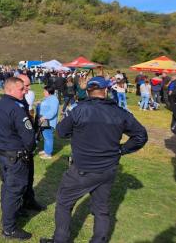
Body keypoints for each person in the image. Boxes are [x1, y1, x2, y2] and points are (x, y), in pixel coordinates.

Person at [40, 76, 148, 243]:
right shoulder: (117, 112)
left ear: (89, 92)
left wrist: (121, 149)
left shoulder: (80, 110)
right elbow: (141, 135)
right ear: (105, 91)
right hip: (106, 170)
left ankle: (60, 240)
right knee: (101, 209)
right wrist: (121, 150)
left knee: (64, 203)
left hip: (83, 170)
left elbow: (61, 132)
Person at [0, 77, 37, 240]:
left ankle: (11, 216)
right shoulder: (16, 109)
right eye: (21, 89)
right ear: (9, 90)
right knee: (14, 190)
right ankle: (9, 228)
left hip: (2, 154)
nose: (25, 91)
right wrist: (30, 150)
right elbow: (29, 137)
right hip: (15, 155)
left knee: (8, 187)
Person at [16, 74, 46, 213]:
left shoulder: (24, 101)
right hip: (18, 149)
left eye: (29, 86)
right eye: (26, 86)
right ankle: (19, 205)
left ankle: (29, 200)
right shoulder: (13, 104)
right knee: (19, 179)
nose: (28, 89)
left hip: (29, 146)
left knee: (29, 175)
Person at [38, 85, 59, 159]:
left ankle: (48, 154)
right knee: (45, 136)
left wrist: (44, 117)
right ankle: (46, 150)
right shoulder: (48, 98)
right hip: (44, 121)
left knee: (48, 137)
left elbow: (53, 111)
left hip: (48, 122)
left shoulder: (53, 99)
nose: (43, 92)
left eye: (44, 91)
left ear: (49, 91)